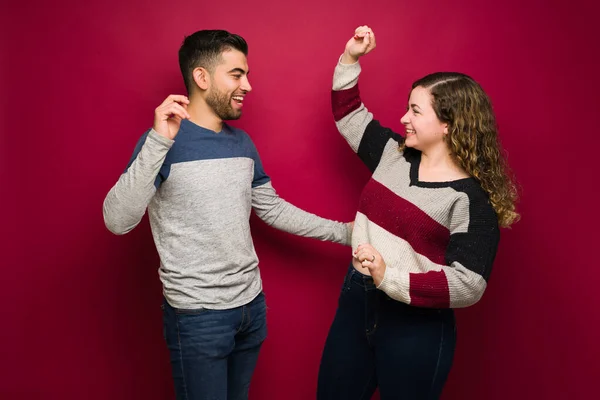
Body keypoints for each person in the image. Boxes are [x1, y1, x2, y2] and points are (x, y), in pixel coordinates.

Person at [102, 29, 351, 400]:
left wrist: (346, 232)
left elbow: (273, 209)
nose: (248, 85)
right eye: (237, 74)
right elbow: (117, 220)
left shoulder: (243, 144)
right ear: (202, 78)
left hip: (251, 308)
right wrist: (159, 142)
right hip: (198, 318)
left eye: (246, 75)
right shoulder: (161, 142)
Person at [317, 25, 519, 400]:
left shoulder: (471, 201)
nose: (404, 118)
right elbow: (349, 116)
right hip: (357, 300)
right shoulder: (393, 155)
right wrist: (351, 58)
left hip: (417, 325)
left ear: (447, 124)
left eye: (414, 110)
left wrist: (387, 275)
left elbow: (469, 284)